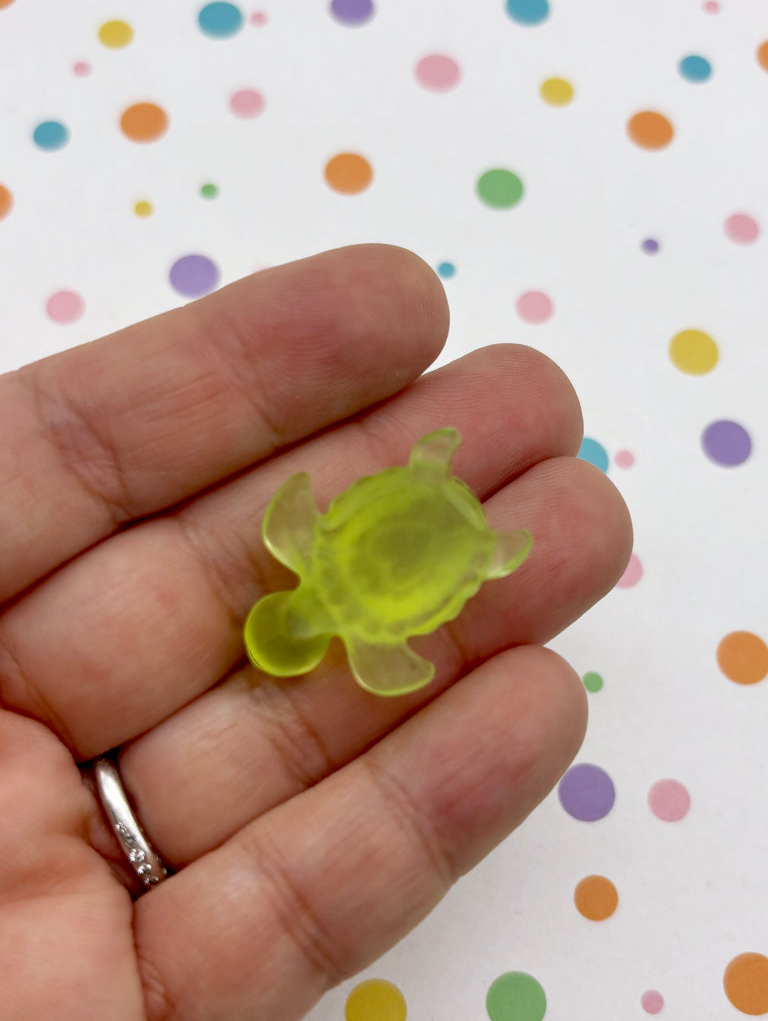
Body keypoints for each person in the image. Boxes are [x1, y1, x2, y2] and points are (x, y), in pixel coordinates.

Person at [0, 244, 631, 1020]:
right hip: (439, 538)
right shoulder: (327, 575)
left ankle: (489, 538)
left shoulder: (327, 579)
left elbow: (302, 516)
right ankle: (488, 543)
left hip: (427, 527)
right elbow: (308, 520)